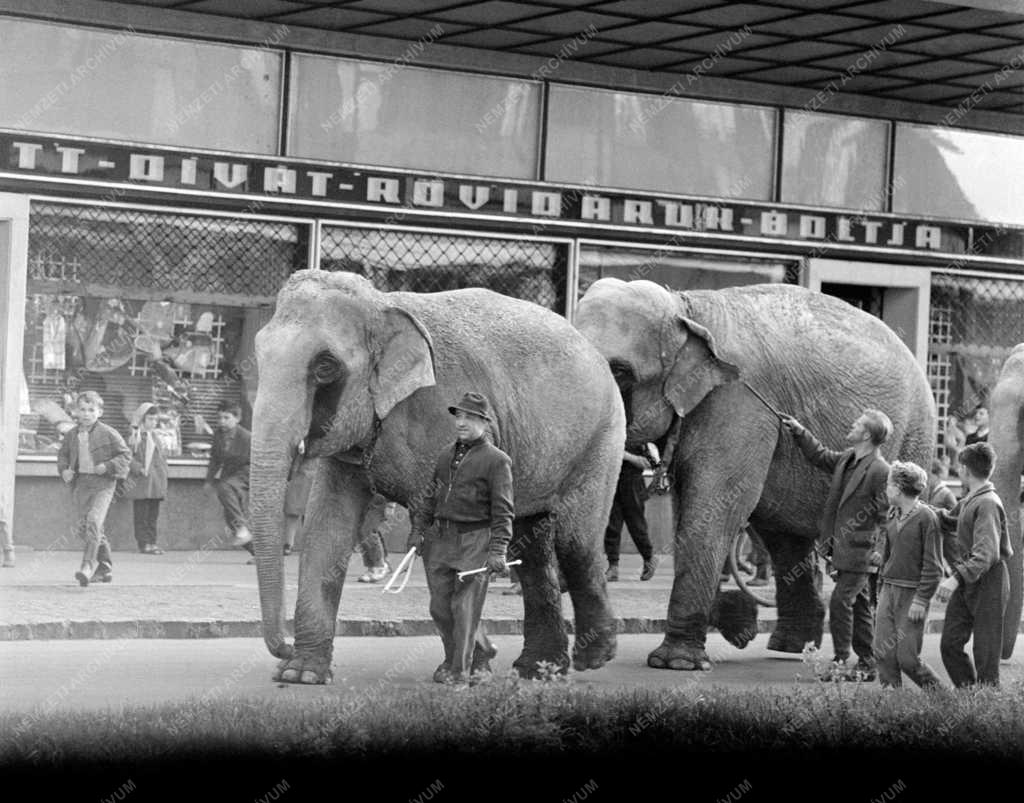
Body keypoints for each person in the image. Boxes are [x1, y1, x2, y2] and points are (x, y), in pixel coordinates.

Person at [408, 392, 512, 686]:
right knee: (439, 608)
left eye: (469, 417)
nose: (461, 422)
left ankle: (460, 672)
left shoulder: (497, 461)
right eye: (459, 416)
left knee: (463, 608)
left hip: (475, 540)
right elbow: (429, 497)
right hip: (440, 540)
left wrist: (498, 549)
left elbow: (504, 512)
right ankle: (480, 650)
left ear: (484, 422)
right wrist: (418, 530)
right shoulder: (444, 455)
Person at [782, 409, 892, 680]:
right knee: (861, 606)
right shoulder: (847, 458)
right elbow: (820, 456)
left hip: (861, 552)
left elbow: (886, 516)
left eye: (857, 424)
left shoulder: (880, 469)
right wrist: (799, 430)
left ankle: (841, 661)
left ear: (866, 434)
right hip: (842, 549)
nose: (851, 425)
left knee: (841, 602)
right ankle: (867, 662)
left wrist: (879, 550)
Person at [936, 442, 1012, 687]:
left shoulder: (987, 502)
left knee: (986, 655)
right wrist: (917, 507)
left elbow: (986, 555)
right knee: (949, 644)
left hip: (989, 581)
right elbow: (948, 521)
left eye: (960, 466)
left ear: (966, 470)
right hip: (970, 578)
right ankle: (970, 700)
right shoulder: (971, 498)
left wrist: (953, 579)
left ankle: (986, 710)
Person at [871, 462, 943, 689]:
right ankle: (893, 705)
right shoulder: (892, 514)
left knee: (908, 659)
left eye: (889, 484)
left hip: (912, 594)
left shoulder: (926, 518)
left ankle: (945, 700)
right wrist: (879, 562)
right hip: (888, 590)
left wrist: (921, 600)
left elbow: (934, 567)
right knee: (882, 652)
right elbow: (890, 555)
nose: (886, 489)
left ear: (899, 488)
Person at [57, 391, 130, 586]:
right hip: (82, 484)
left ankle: (87, 567)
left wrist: (107, 466)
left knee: (93, 522)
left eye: (91, 410)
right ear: (75, 412)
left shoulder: (108, 432)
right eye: (82, 409)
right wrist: (64, 470)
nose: (87, 414)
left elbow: (125, 455)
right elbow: (63, 455)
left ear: (100, 412)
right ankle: (105, 566)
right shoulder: (71, 434)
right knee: (85, 527)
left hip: (104, 484)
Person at [604, 442, 657, 582]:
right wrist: (629, 456)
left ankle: (649, 558)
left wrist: (627, 456)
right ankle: (613, 567)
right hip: (613, 479)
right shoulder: (613, 428)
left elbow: (648, 463)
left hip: (632, 482)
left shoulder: (640, 435)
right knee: (612, 526)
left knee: (636, 525)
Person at [205, 401, 252, 552]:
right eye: (219, 418)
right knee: (230, 518)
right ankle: (258, 554)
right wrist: (209, 480)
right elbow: (215, 460)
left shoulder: (247, 437)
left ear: (237, 419)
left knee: (224, 487)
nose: (222, 422)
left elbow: (258, 461)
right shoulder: (218, 435)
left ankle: (242, 530)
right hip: (229, 475)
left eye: (226, 418)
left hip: (246, 474)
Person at [125, 402, 168, 555]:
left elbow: (160, 458)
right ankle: (143, 543)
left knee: (152, 515)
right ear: (142, 419)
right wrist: (138, 468)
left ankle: (152, 542)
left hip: (155, 482)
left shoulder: (155, 436)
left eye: (155, 419)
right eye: (150, 419)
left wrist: (163, 475)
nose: (153, 422)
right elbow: (126, 457)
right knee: (141, 515)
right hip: (141, 482)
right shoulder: (134, 437)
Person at [356, 493, 395, 582]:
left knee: (367, 531)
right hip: (366, 497)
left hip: (379, 499)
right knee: (364, 530)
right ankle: (376, 566)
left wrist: (391, 505)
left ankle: (380, 566)